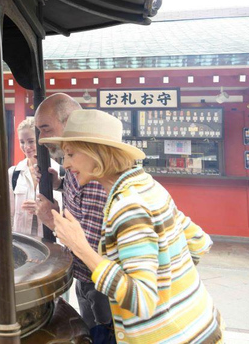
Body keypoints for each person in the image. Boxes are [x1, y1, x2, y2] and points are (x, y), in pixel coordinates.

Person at [48, 110, 223, 343]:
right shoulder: (147, 184)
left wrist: (80, 247)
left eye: (70, 154)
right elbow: (198, 242)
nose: (66, 163)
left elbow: (142, 300)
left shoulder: (128, 207)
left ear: (96, 153)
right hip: (199, 322)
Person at [34, 93, 113, 338]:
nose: (40, 139)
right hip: (83, 279)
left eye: (45, 128)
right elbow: (78, 189)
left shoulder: (104, 177)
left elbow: (89, 243)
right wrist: (59, 183)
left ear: (69, 123)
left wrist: (53, 221)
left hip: (106, 284)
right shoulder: (79, 168)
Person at [9, 117, 62, 238]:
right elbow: (10, 214)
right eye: (22, 142)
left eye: (31, 141)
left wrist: (42, 210)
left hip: (51, 240)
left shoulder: (59, 172)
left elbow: (65, 214)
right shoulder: (13, 174)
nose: (26, 146)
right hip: (22, 241)